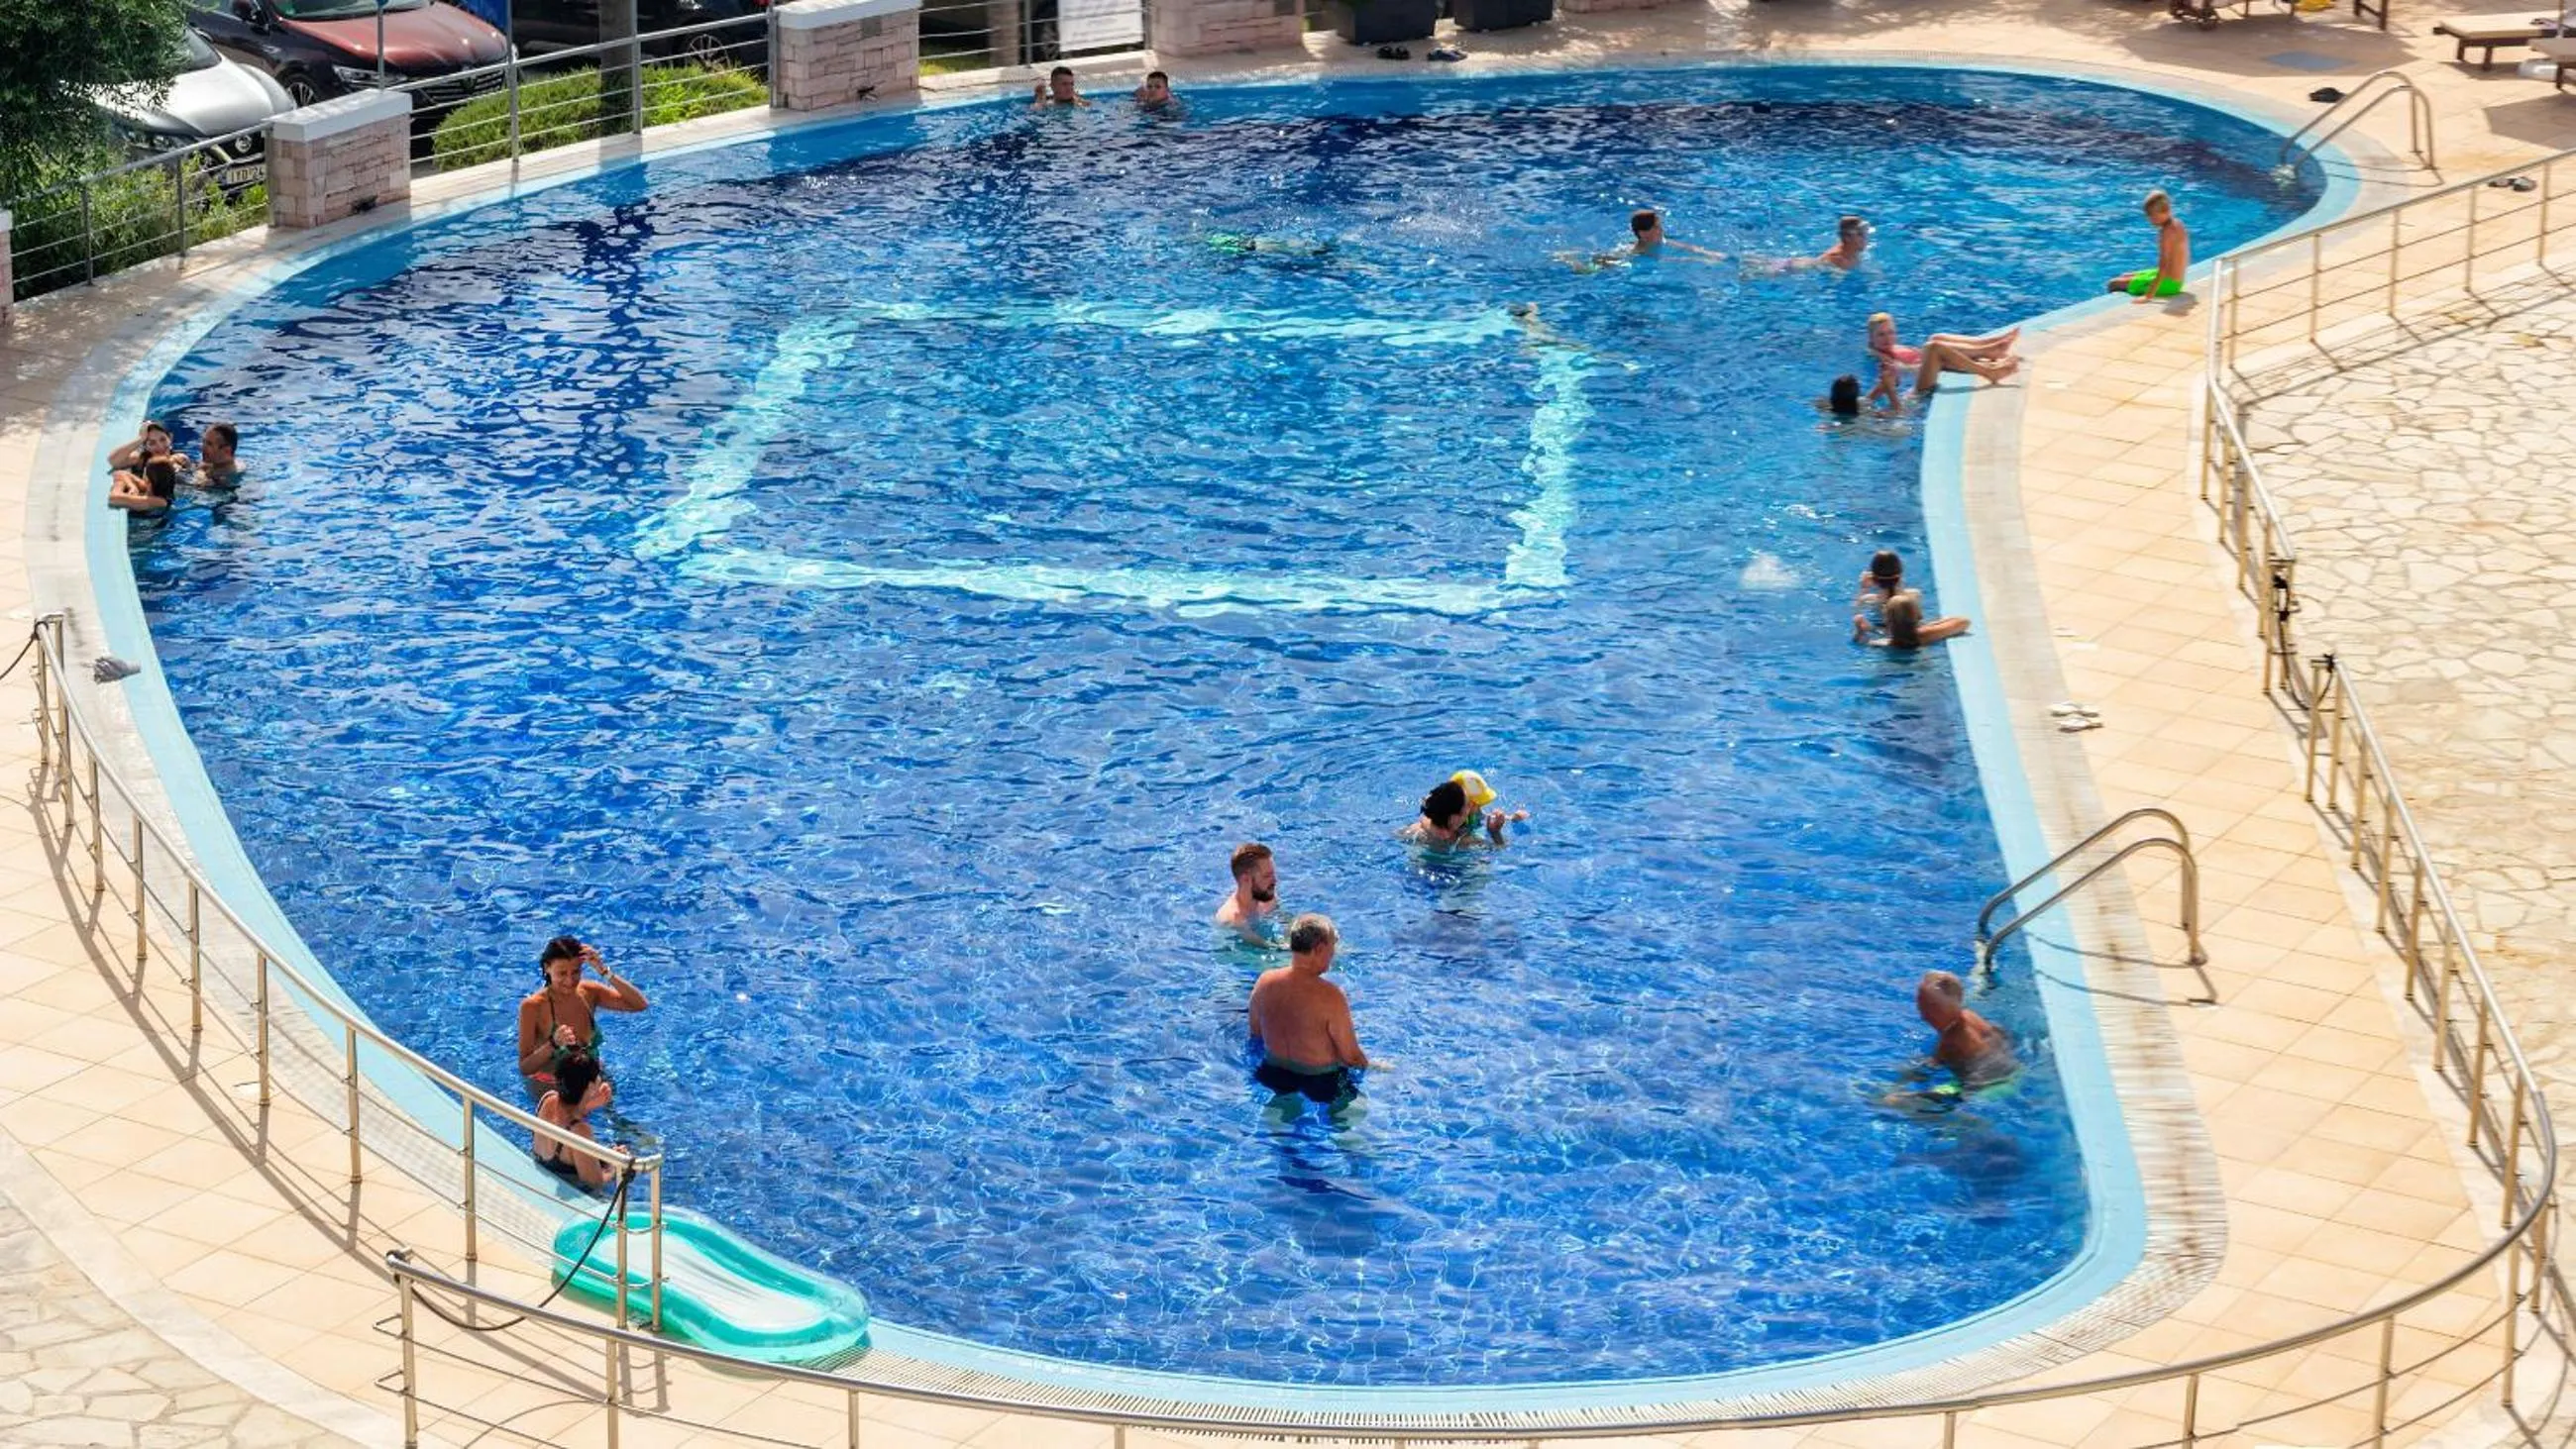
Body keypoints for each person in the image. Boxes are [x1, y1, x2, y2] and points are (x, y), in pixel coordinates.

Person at [1247, 913, 1369, 1104]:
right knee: (1351, 1122)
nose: (1333, 954)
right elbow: (1351, 1057)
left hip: (1272, 1073)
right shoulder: (1331, 996)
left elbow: (1255, 1032)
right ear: (1319, 949)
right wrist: (1374, 1067)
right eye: (1332, 947)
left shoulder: (1265, 981)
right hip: (1321, 1081)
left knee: (1280, 1126)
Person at [516, 935, 649, 1100]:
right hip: (553, 1087)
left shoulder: (588, 992)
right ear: (547, 968)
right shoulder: (533, 1006)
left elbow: (640, 1004)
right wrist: (553, 1044)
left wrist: (604, 971)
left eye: (576, 972)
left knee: (622, 1123)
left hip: (592, 1078)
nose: (570, 980)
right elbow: (525, 1067)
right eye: (562, 973)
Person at [534, 1050, 623, 1189]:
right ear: (591, 1086)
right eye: (598, 1075)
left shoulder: (547, 1099)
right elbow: (594, 1182)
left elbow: (566, 1114)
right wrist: (615, 1165)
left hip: (544, 1169)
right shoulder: (580, 1131)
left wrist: (592, 1103)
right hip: (571, 1187)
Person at [1914, 970, 2016, 1088]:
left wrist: (1907, 1076)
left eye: (1928, 1011)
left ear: (1943, 1011)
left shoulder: (1949, 1040)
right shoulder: (1970, 1015)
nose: (1923, 1017)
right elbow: (2000, 1033)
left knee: (1896, 1100)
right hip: (2014, 1068)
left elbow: (1928, 1068)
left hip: (1991, 1086)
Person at [1399, 771, 1527, 848]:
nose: (1472, 806)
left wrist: (1512, 818)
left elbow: (1398, 835)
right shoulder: (1464, 841)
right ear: (1455, 817)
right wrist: (1495, 833)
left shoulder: (1416, 829)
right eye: (1468, 805)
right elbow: (1500, 848)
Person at [2105, 189, 2190, 301]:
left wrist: (2148, 296)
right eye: (2148, 215)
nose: (2150, 220)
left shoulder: (2165, 233)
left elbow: (2163, 265)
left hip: (2169, 285)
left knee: (2113, 284)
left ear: (2165, 211)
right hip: (2176, 280)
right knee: (2126, 275)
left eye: (2152, 216)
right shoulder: (2178, 224)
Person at [1856, 591, 1970, 648]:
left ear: (1887, 621)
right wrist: (1932, 625)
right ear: (1917, 615)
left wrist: (1860, 631)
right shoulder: (1924, 635)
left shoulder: (1885, 643)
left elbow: (1861, 643)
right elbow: (1964, 622)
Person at [1217, 841, 1279, 941]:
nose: (1275, 880)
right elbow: (1266, 948)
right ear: (1245, 879)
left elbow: (1284, 920)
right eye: (1267, 876)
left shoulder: (1267, 896)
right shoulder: (1233, 919)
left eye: (1273, 874)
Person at [109, 420, 191, 478]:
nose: (160, 446)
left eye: (163, 439)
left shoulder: (180, 459)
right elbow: (113, 460)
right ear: (145, 446)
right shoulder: (140, 459)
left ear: (170, 438)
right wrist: (140, 438)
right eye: (152, 443)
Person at [108, 459, 178, 513]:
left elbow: (113, 499)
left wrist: (119, 483)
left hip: (148, 530)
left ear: (148, 480)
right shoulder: (149, 487)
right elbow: (120, 473)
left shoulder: (160, 502)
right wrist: (132, 486)